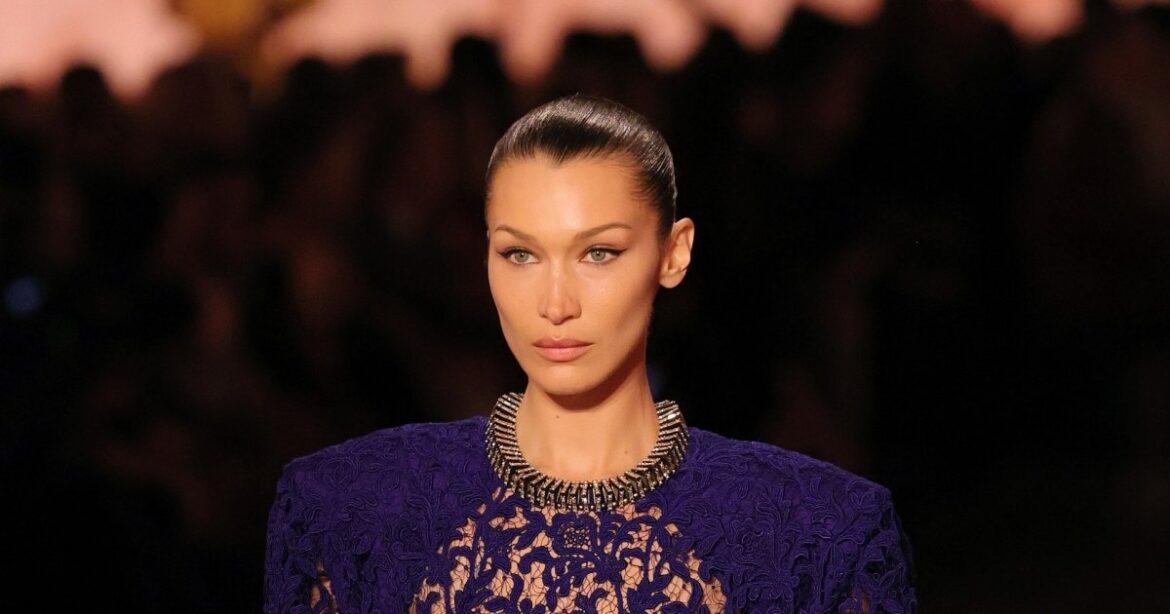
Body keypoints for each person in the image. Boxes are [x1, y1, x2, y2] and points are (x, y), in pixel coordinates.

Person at [264, 94, 917, 613]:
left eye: (599, 253)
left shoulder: (817, 533)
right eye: (520, 254)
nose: (556, 303)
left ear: (674, 254)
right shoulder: (348, 513)